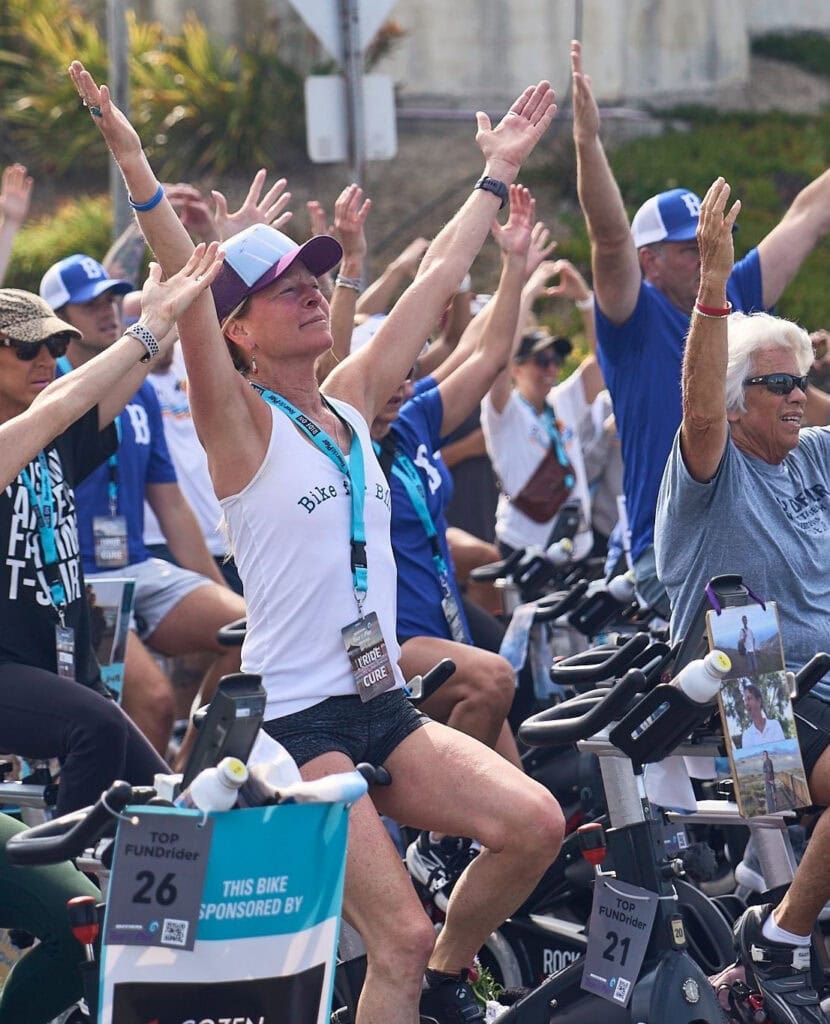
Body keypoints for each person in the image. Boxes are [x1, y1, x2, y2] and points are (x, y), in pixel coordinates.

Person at [72, 59, 564, 1024]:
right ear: (239, 331)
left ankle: (450, 981)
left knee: (535, 824)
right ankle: (418, 968)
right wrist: (134, 163)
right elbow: (186, 273)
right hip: (293, 730)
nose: (310, 292)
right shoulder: (237, 423)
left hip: (380, 706)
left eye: (314, 279)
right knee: (398, 933)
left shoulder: (349, 403)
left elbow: (433, 281)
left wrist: (494, 174)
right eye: (284, 288)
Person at [570, 38, 830, 617]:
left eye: (706, 243)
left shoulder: (732, 286)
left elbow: (810, 215)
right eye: (686, 248)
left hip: (761, 537)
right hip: (676, 554)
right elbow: (609, 238)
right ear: (649, 261)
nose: (703, 254)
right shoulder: (633, 320)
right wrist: (587, 142)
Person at [653, 175, 830, 1024]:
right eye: (776, 385)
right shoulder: (709, 464)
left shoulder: (809, 454)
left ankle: (789, 904)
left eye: (801, 380)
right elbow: (697, 399)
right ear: (734, 403)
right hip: (741, 670)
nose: (796, 395)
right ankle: (779, 938)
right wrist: (716, 293)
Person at [0, 245, 223, 818]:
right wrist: (144, 329)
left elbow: (120, 380)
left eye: (56, 345)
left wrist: (168, 316)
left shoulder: (57, 436)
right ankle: (65, 886)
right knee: (95, 726)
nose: (48, 359)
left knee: (168, 820)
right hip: (7, 672)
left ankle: (106, 887)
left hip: (68, 666)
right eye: (28, 348)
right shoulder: (21, 437)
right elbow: (56, 407)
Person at [40, 253, 246, 755]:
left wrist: (215, 590)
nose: (109, 311)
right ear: (57, 321)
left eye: (113, 298)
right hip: (75, 580)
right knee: (153, 701)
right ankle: (118, 827)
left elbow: (171, 507)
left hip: (137, 566)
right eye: (90, 305)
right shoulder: (42, 386)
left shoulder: (144, 393)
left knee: (253, 635)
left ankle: (183, 782)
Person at [482, 257, 603, 562]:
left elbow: (602, 362)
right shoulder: (503, 410)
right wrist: (528, 294)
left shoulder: (562, 401)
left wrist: (585, 301)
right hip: (526, 547)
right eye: (541, 360)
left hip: (576, 547)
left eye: (556, 360)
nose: (551, 369)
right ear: (516, 368)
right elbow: (497, 355)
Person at [741, 680, 785, 748]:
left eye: (749, 699)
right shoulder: (746, 735)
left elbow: (782, 751)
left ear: (759, 701)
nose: (746, 703)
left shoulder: (775, 725)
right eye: (745, 700)